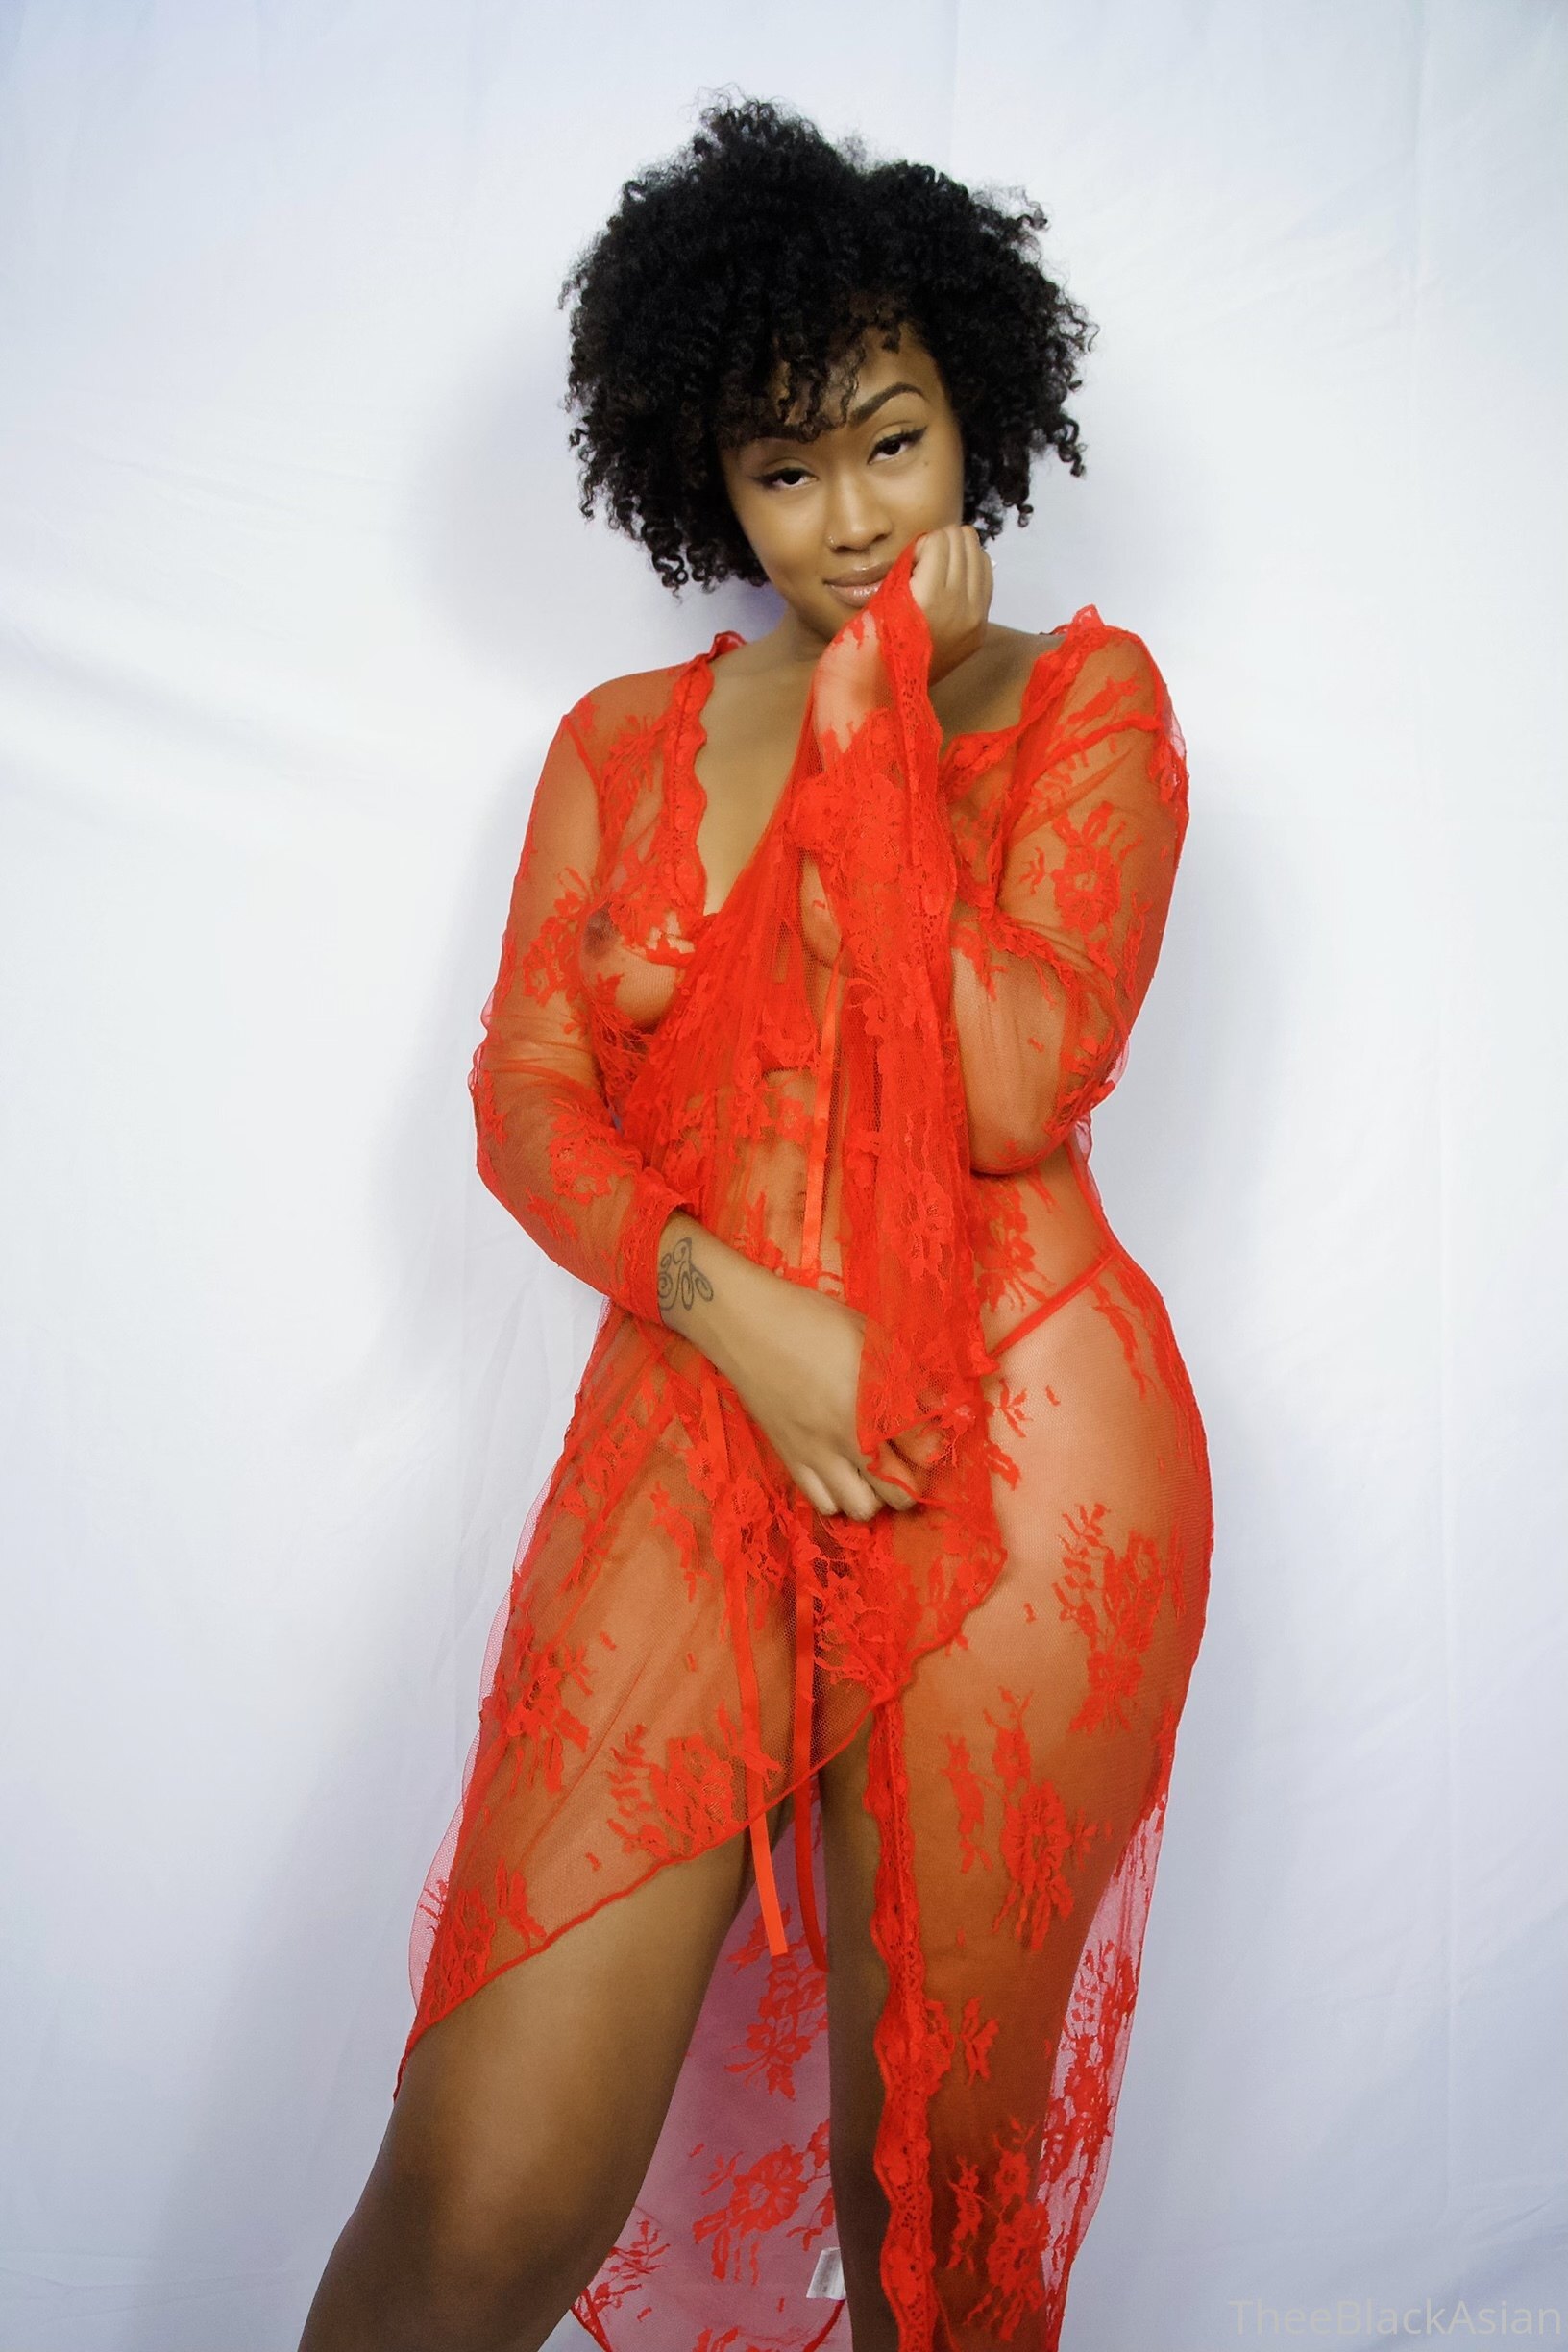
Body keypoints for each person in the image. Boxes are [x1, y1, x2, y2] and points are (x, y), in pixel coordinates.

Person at [298, 94, 1213, 2352]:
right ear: (702, 476)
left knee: (935, 2235)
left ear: (973, 413)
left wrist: (882, 741)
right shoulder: (620, 741)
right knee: (480, 2192)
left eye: (892, 442)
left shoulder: (1084, 703)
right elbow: (525, 1104)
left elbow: (1010, 1087)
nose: (852, 517)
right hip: (699, 1442)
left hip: (1017, 1463)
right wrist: (742, 1315)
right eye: (784, 469)